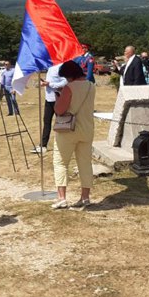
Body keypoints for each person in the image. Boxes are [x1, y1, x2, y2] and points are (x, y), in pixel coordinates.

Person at [51, 61, 96, 210]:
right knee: (85, 163)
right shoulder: (91, 86)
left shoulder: (69, 88)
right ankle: (85, 197)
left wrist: (58, 98)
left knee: (61, 162)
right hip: (87, 129)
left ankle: (62, 197)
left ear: (69, 75)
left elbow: (59, 110)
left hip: (68, 130)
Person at [33, 63, 68, 154]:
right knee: (46, 121)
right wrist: (44, 83)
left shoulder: (60, 66)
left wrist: (50, 84)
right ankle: (43, 145)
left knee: (61, 122)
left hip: (58, 99)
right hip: (48, 99)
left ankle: (65, 144)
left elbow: (65, 82)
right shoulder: (50, 67)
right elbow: (49, 81)